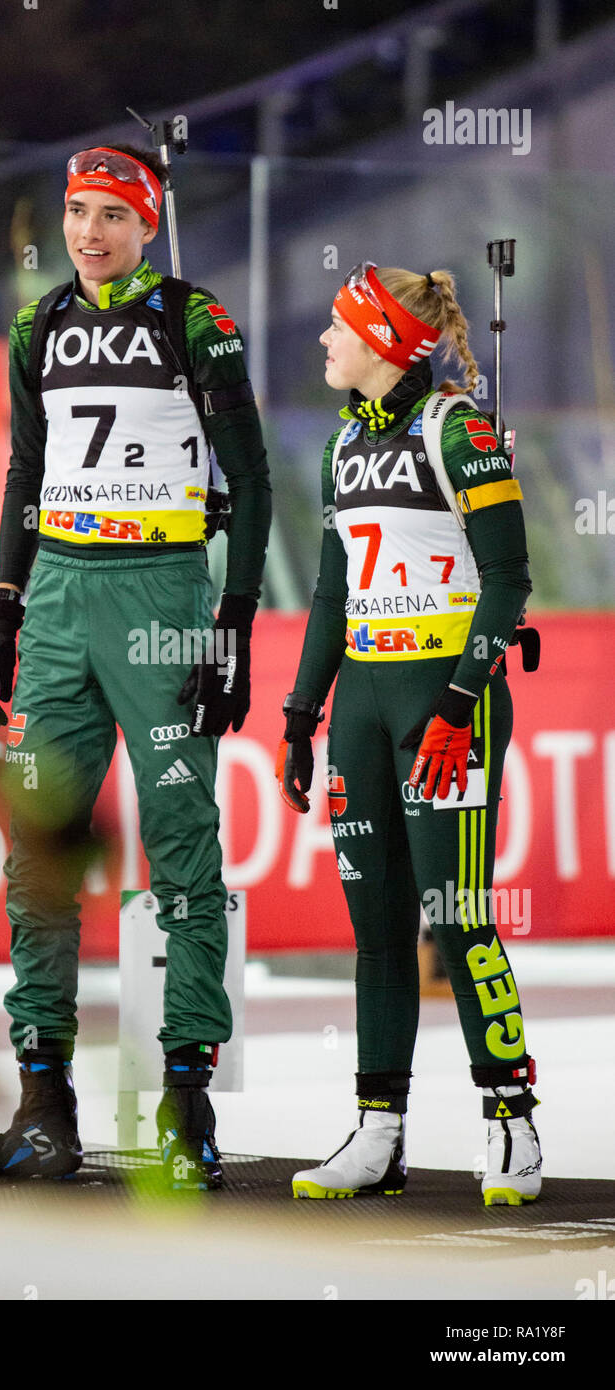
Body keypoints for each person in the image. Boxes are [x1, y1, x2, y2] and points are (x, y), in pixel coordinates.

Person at [0, 144, 271, 1189]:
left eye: (113, 216)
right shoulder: (36, 325)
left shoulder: (194, 319)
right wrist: (3, 603)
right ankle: (43, 1109)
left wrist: (231, 620)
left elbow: (253, 477)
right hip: (55, 605)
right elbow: (24, 471)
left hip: (162, 598)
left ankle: (186, 1103)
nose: (89, 233)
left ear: (149, 222)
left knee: (182, 852)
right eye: (77, 211)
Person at [276, 262, 541, 1206]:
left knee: (460, 916)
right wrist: (301, 719)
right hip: (363, 709)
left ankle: (513, 1121)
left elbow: (509, 583)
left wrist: (461, 704)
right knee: (377, 931)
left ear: (385, 342)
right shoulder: (343, 443)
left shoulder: (457, 425)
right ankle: (377, 1132)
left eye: (339, 329)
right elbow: (331, 594)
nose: (324, 342)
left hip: (445, 708)